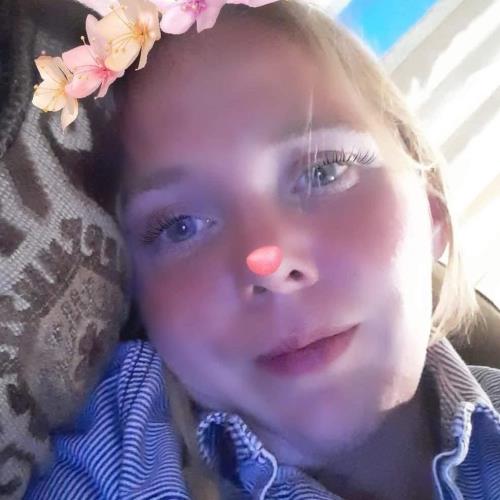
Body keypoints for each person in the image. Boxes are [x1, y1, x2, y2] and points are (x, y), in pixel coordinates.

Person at [25, 0, 500, 498]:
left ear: (431, 207)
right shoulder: (120, 468)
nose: (269, 261)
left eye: (324, 171)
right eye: (181, 226)